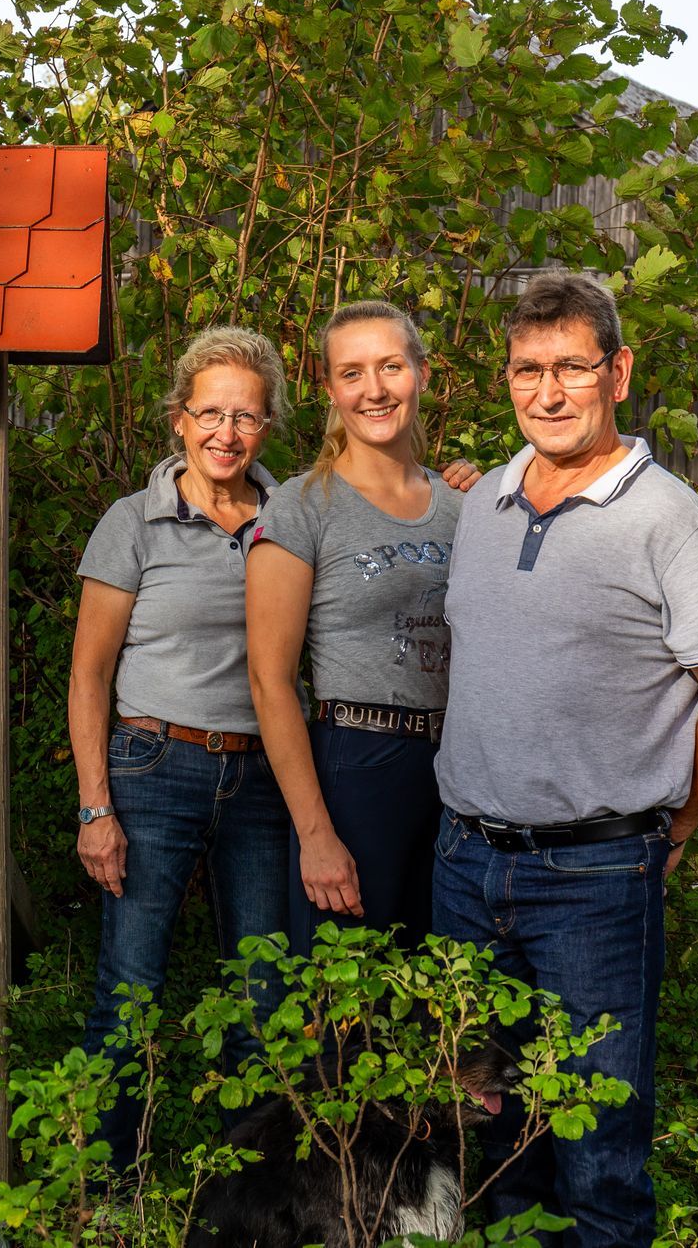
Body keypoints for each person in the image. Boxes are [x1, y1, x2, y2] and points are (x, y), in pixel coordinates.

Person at [431, 272, 698, 1246]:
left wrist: (680, 823)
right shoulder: (484, 508)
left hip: (593, 874)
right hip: (464, 866)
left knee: (598, 1153)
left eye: (571, 369)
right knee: (488, 1140)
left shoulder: (673, 522)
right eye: (527, 370)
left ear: (617, 372)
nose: (547, 392)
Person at [69, 325, 293, 1171]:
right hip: (153, 769)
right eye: (210, 414)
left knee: (264, 996)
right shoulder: (134, 524)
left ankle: (245, 1194)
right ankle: (106, 1182)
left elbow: (386, 507)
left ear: (267, 427)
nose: (226, 434)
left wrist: (458, 482)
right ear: (178, 419)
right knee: (129, 989)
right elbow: (88, 676)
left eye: (246, 417)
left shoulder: (293, 518)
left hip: (266, 780)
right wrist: (98, 807)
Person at [247, 301, 464, 947]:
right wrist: (316, 834)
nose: (374, 389)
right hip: (358, 766)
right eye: (352, 373)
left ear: (422, 375)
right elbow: (269, 681)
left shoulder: (463, 507)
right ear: (330, 389)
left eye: (391, 367)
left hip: (457, 769)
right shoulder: (301, 508)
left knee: (442, 989)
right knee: (348, 1001)